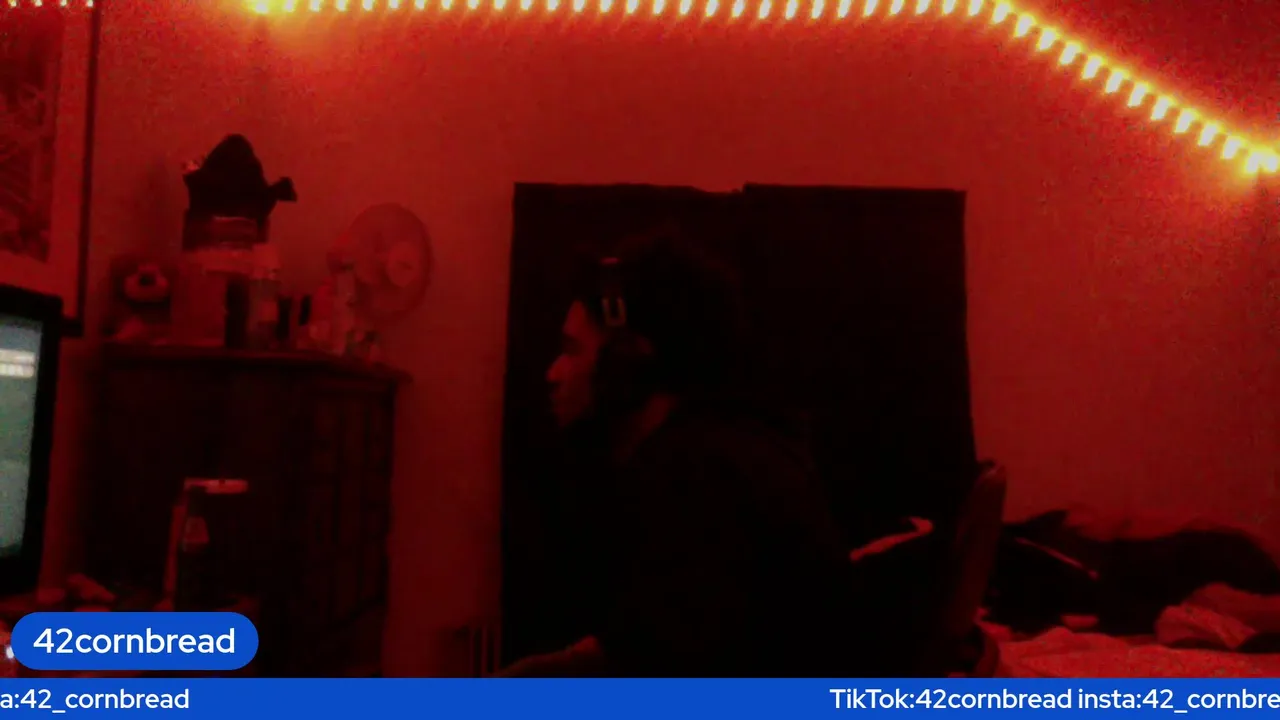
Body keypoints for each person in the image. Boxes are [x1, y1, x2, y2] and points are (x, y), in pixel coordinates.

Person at [500, 230, 877, 677]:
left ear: (627, 365)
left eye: (571, 351)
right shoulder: (736, 450)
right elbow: (655, 641)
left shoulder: (691, 480)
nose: (553, 372)